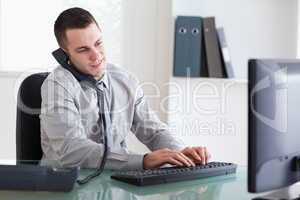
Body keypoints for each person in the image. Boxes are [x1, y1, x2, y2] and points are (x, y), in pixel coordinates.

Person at [40, 7, 210, 171]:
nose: (96, 56)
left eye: (98, 43)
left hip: (113, 183)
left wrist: (180, 152)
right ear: (65, 53)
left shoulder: (125, 80)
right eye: (83, 50)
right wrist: (143, 161)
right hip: (67, 186)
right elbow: (72, 151)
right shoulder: (57, 86)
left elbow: (154, 131)